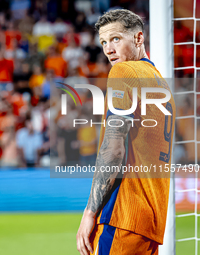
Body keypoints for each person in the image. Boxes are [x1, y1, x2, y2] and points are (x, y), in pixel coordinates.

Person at [76, 9, 176, 255]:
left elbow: (114, 147)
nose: (108, 49)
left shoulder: (124, 72)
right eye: (103, 42)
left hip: (122, 215)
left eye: (116, 39)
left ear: (139, 39)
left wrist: (90, 213)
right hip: (150, 222)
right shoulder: (160, 83)